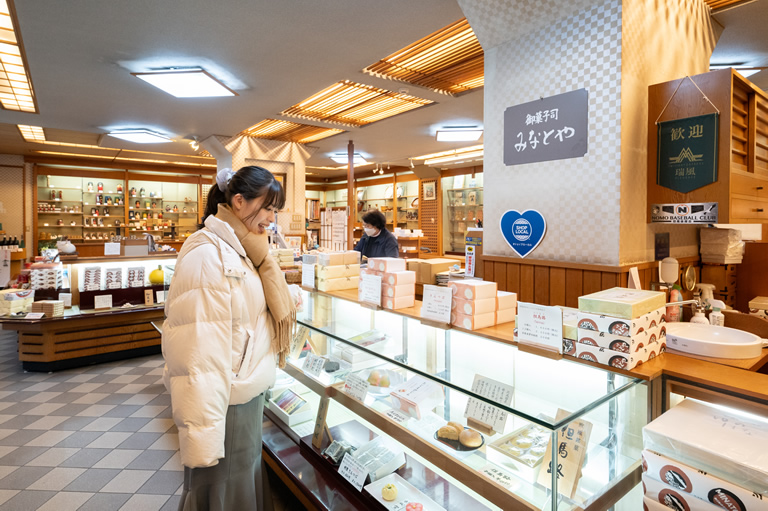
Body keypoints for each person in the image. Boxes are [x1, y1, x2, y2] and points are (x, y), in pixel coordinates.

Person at [163, 166, 297, 511]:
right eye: (267, 207)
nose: (271, 218)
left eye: (275, 210)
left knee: (237, 484)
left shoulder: (244, 249)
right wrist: (202, 433)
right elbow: (197, 355)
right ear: (238, 202)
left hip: (241, 392)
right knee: (222, 491)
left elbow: (240, 314)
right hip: (224, 401)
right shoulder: (209, 256)